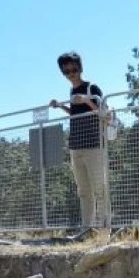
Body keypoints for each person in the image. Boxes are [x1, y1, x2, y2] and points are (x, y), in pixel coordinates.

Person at [49, 52, 110, 232]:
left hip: (93, 145)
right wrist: (61, 106)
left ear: (80, 68)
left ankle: (104, 231)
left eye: (73, 69)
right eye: (66, 71)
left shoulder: (92, 88)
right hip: (76, 146)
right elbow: (76, 114)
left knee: (100, 189)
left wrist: (86, 100)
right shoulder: (72, 91)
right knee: (83, 191)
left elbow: (104, 113)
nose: (71, 73)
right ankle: (86, 229)